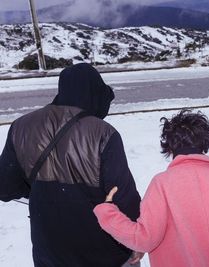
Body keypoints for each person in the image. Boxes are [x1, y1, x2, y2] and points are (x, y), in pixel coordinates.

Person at [0, 63, 142, 267]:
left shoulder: (21, 127)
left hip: (50, 253)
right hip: (104, 253)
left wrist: (43, 189)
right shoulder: (103, 133)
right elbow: (122, 196)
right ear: (95, 94)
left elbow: (5, 187)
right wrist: (138, 236)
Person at [94, 109, 209, 267]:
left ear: (169, 146)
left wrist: (108, 213)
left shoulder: (162, 184)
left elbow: (145, 238)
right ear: (205, 143)